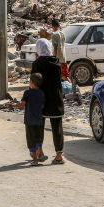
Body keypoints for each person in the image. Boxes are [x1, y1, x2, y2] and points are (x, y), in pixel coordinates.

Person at [31, 29, 65, 164]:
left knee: (39, 126)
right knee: (57, 127)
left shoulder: (37, 64)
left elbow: (34, 82)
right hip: (56, 99)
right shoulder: (56, 63)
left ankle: (39, 152)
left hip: (41, 100)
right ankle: (59, 155)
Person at [5, 72, 46, 166]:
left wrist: (12, 105)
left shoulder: (27, 93)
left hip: (29, 120)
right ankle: (40, 153)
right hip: (39, 119)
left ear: (31, 82)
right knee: (38, 137)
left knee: (31, 139)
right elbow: (42, 105)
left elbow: (21, 105)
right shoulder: (41, 93)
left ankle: (35, 160)